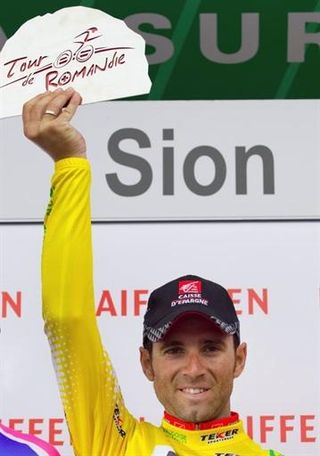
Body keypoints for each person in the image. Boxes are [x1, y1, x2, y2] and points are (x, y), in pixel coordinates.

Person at [22, 88, 283, 456]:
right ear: (147, 363)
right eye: (174, 349)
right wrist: (70, 164)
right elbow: (67, 319)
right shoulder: (118, 441)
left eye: (210, 348)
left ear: (238, 358)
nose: (194, 368)